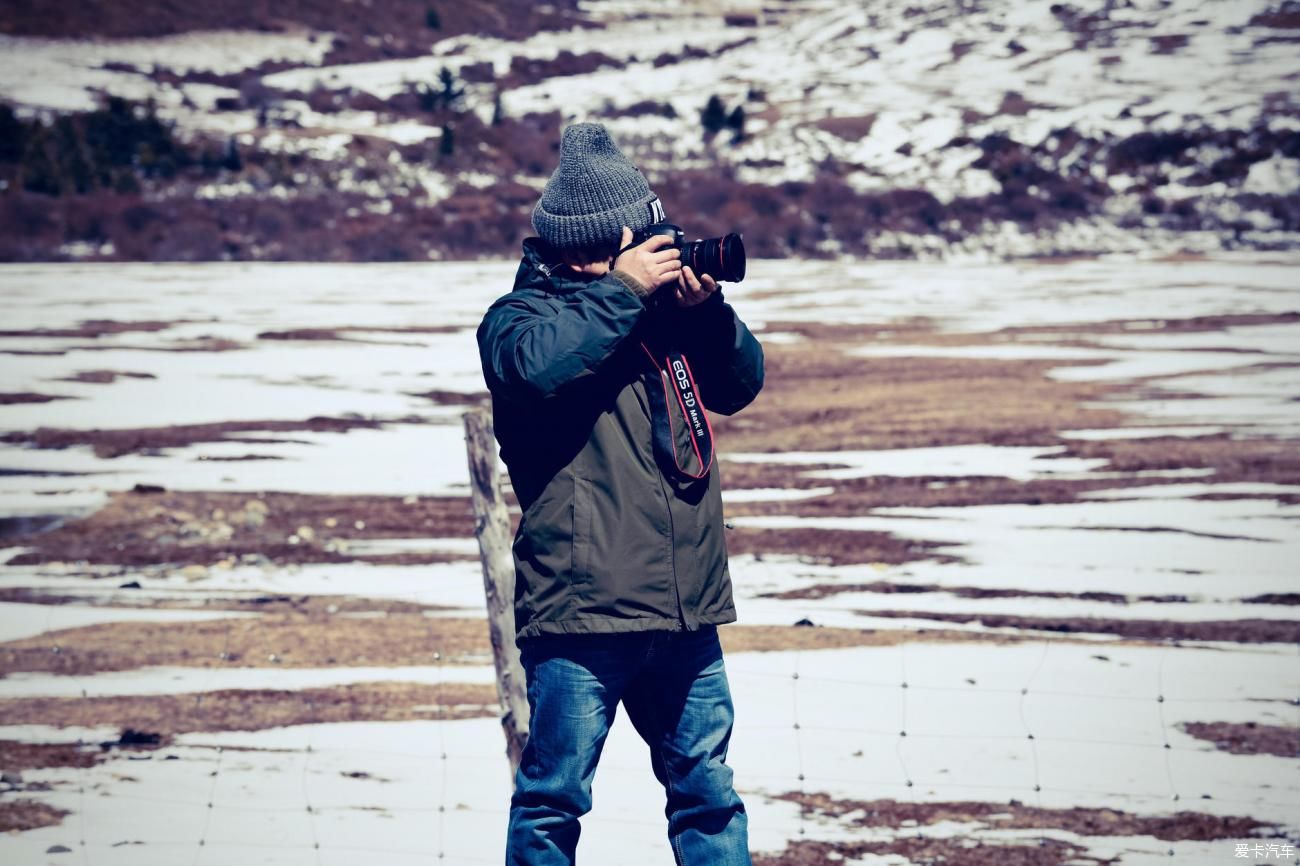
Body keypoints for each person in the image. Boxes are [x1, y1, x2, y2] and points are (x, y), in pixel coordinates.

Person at [476, 121, 764, 866]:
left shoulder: (661, 314)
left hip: (683, 609)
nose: (658, 251)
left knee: (709, 796)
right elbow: (541, 369)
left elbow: (741, 386)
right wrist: (623, 294)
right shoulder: (520, 321)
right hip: (582, 612)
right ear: (594, 245)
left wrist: (707, 315)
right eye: (641, 240)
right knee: (553, 801)